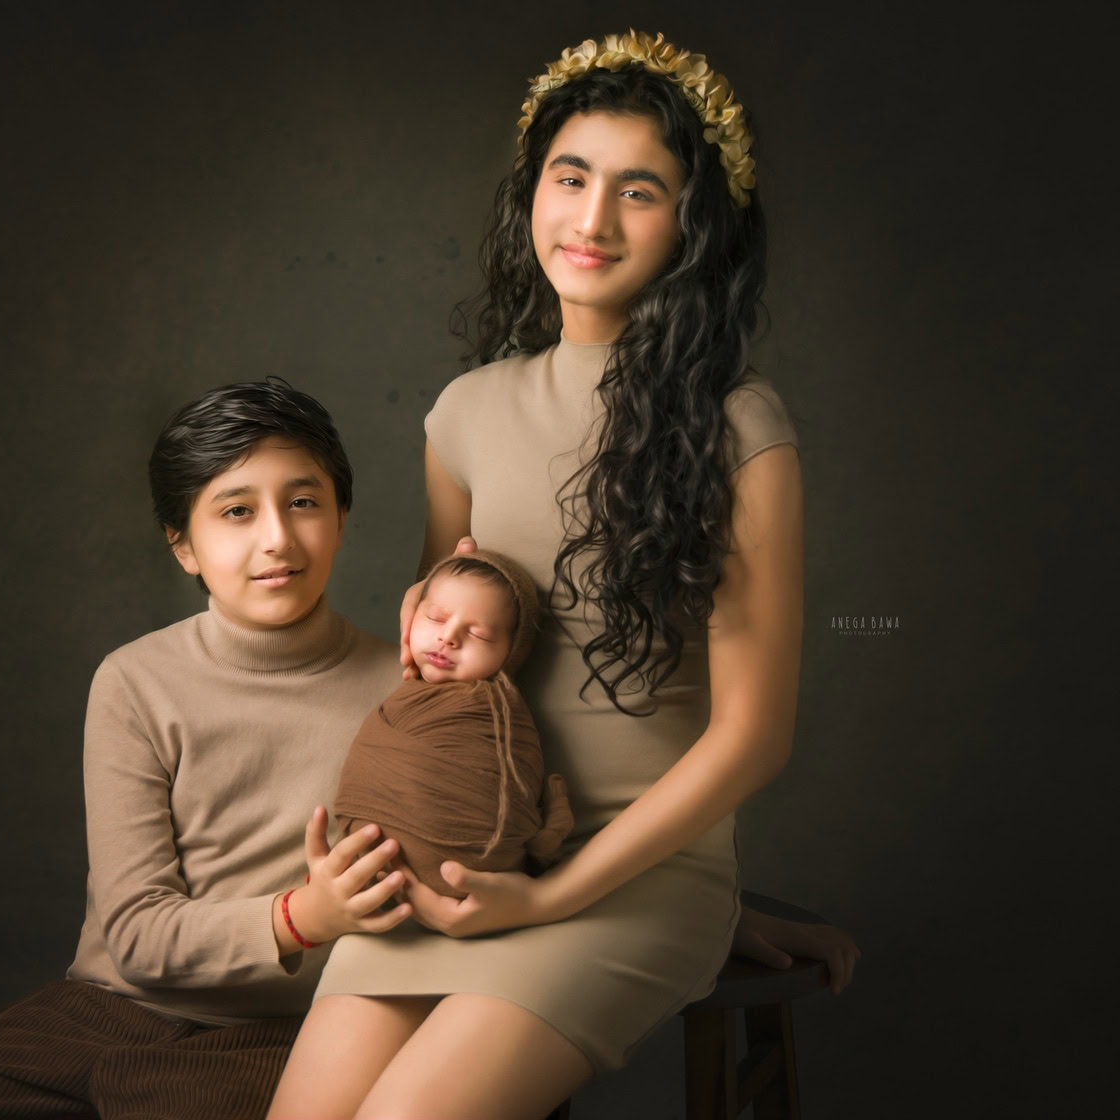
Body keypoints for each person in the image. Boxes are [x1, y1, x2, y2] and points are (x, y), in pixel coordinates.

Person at [269, 30, 860, 1120]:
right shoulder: (465, 411)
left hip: (626, 885)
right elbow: (442, 685)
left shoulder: (740, 425)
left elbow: (752, 735)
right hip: (462, 858)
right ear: (529, 193)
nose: (589, 222)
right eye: (568, 177)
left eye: (638, 191)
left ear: (692, 224)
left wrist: (552, 893)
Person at [0, 380, 414, 1120]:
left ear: (342, 516)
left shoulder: (408, 688)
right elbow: (134, 930)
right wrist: (301, 915)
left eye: (304, 502)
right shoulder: (136, 681)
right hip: (109, 1009)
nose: (277, 540)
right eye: (235, 511)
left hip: (290, 1030)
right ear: (183, 546)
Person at [332, 550, 573, 897]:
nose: (449, 637)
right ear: (412, 614)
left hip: (479, 879)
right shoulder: (400, 696)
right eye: (435, 617)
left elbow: (518, 786)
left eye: (479, 635)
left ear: (512, 651)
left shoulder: (503, 717)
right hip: (377, 870)